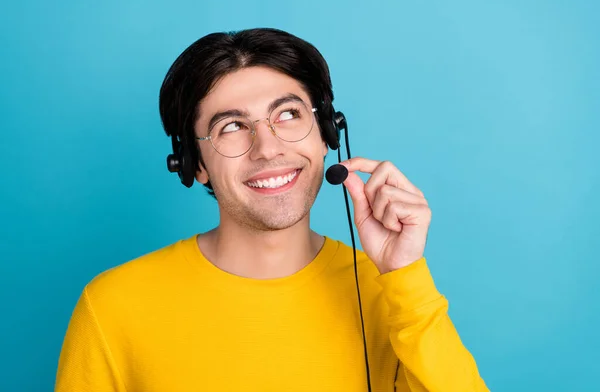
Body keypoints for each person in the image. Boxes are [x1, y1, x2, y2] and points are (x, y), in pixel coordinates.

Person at [55, 28, 489, 392]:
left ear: (326, 136)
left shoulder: (392, 296)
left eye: (287, 115)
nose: (268, 148)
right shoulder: (112, 307)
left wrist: (405, 278)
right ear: (194, 165)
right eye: (231, 127)